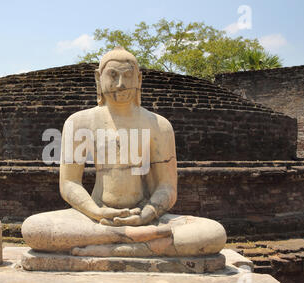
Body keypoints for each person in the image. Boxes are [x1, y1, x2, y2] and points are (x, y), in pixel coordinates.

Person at [22, 47, 226, 257]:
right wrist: (96, 211)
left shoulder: (158, 125)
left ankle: (111, 244)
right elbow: (69, 183)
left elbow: (167, 187)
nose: (121, 84)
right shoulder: (79, 122)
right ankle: (139, 244)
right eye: (113, 75)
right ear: (98, 79)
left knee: (214, 234)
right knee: (34, 229)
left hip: (146, 216)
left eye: (128, 76)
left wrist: (147, 215)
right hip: (96, 218)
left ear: (139, 80)